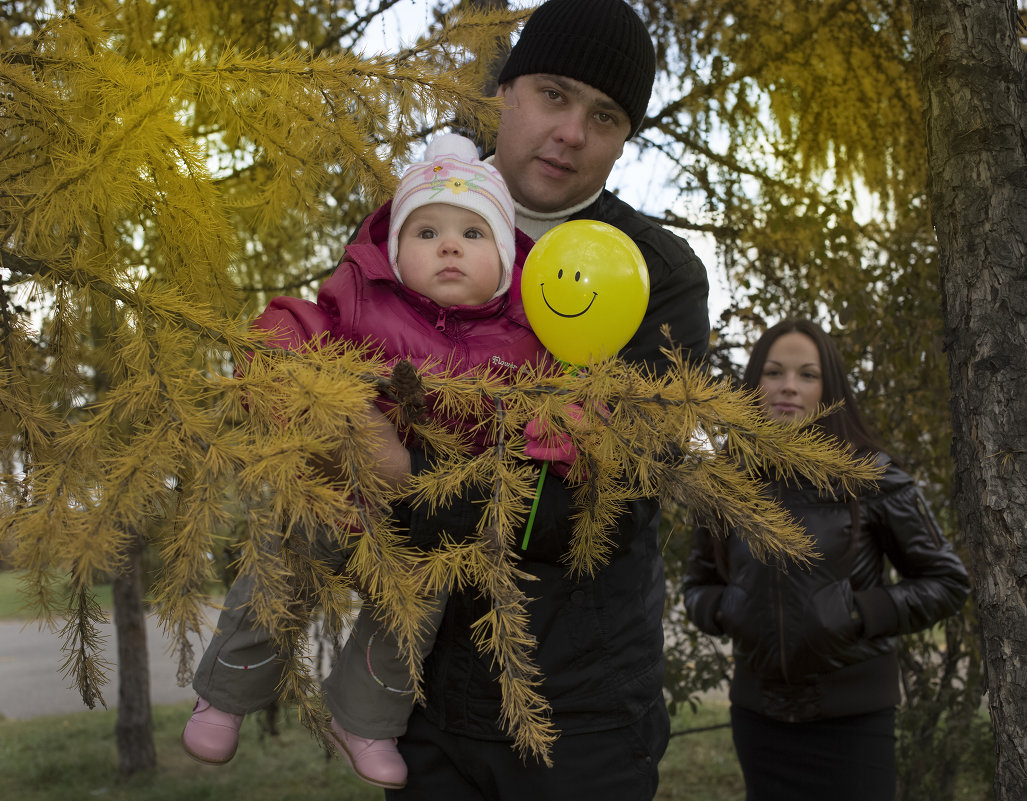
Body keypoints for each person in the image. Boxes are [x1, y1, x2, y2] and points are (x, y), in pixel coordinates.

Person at [380, 1, 712, 799]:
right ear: (505, 91)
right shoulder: (412, 231)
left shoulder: (655, 275)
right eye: (554, 94)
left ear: (624, 138)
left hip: (582, 712)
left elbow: (604, 496)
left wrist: (403, 473)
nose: (570, 131)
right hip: (420, 696)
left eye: (604, 115)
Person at [181, 133, 552, 790]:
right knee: (279, 567)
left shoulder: (521, 338)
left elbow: (549, 410)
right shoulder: (362, 302)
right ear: (392, 250)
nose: (448, 245)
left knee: (413, 611)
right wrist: (306, 394)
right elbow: (286, 332)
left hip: (423, 520)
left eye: (473, 232)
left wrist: (558, 432)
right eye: (426, 230)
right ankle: (227, 693)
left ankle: (363, 717)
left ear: (505, 260)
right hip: (339, 488)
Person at [682, 319, 971, 801]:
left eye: (807, 375)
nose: (788, 386)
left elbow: (947, 581)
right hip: (759, 717)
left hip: (853, 721)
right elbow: (696, 585)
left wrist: (860, 613)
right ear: (755, 383)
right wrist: (726, 609)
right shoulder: (724, 482)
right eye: (774, 372)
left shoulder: (873, 477)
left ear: (828, 387)